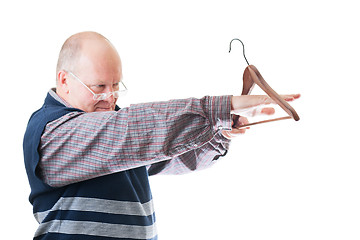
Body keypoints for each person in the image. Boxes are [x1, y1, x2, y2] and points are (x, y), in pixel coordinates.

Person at [23, 31, 300, 240]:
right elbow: (131, 131)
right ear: (64, 80)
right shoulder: (52, 132)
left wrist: (218, 134)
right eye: (99, 86)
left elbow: (175, 157)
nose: (109, 97)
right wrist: (216, 108)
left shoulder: (113, 130)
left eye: (116, 85)